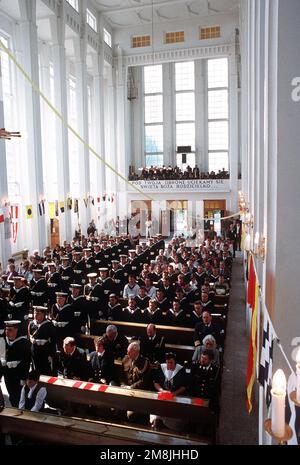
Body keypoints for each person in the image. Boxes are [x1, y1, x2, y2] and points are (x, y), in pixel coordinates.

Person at [151, 352, 188, 431]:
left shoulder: (181, 370)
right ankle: (156, 424)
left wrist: (173, 394)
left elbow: (183, 387)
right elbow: (156, 383)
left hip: (175, 397)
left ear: (175, 362)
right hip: (163, 395)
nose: (169, 365)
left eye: (171, 362)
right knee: (157, 408)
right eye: (167, 362)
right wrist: (161, 390)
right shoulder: (161, 367)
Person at [1, 320, 31, 407]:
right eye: (6, 329)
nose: (7, 332)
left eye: (10, 330)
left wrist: (23, 377)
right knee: (11, 395)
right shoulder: (4, 341)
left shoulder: (23, 343)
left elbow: (26, 362)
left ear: (16, 330)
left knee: (19, 396)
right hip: (7, 375)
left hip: (18, 376)